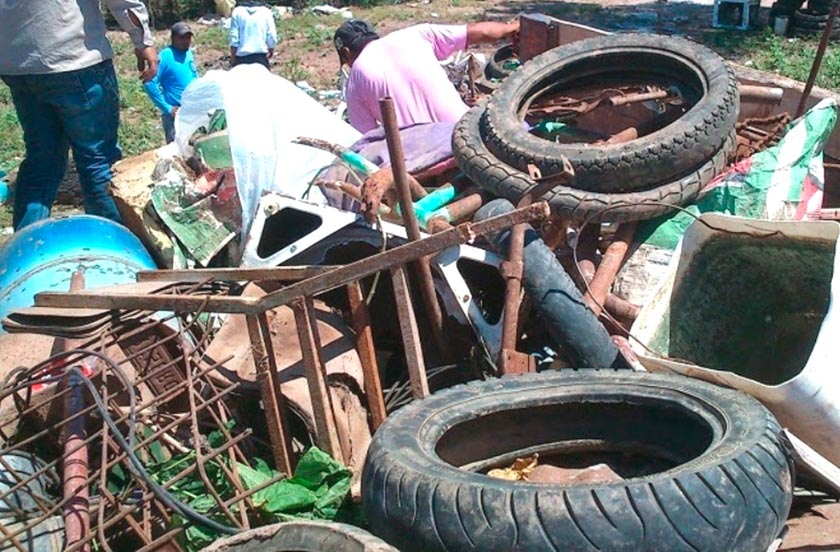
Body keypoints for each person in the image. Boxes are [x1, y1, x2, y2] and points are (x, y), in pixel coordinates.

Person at [0, 0, 157, 231]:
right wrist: (142, 40)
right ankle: (111, 250)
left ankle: (24, 253)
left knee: (41, 163)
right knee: (98, 162)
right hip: (74, 58)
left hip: (19, 64)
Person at [334, 19, 519, 133]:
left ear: (346, 52)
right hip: (466, 134)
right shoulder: (415, 35)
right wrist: (514, 28)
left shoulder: (354, 83)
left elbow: (369, 141)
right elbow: (481, 32)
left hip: (423, 160)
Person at [144, 22, 199, 143]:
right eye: (182, 38)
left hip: (192, 110)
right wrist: (167, 108)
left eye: (188, 37)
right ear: (173, 38)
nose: (186, 41)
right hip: (175, 115)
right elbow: (150, 83)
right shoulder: (165, 56)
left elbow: (194, 75)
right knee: (177, 150)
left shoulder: (188, 53)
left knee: (193, 149)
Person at [229, 1, 278, 69]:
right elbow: (272, 36)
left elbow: (234, 40)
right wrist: (271, 49)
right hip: (261, 59)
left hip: (241, 60)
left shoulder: (237, 12)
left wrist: (233, 59)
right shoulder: (266, 12)